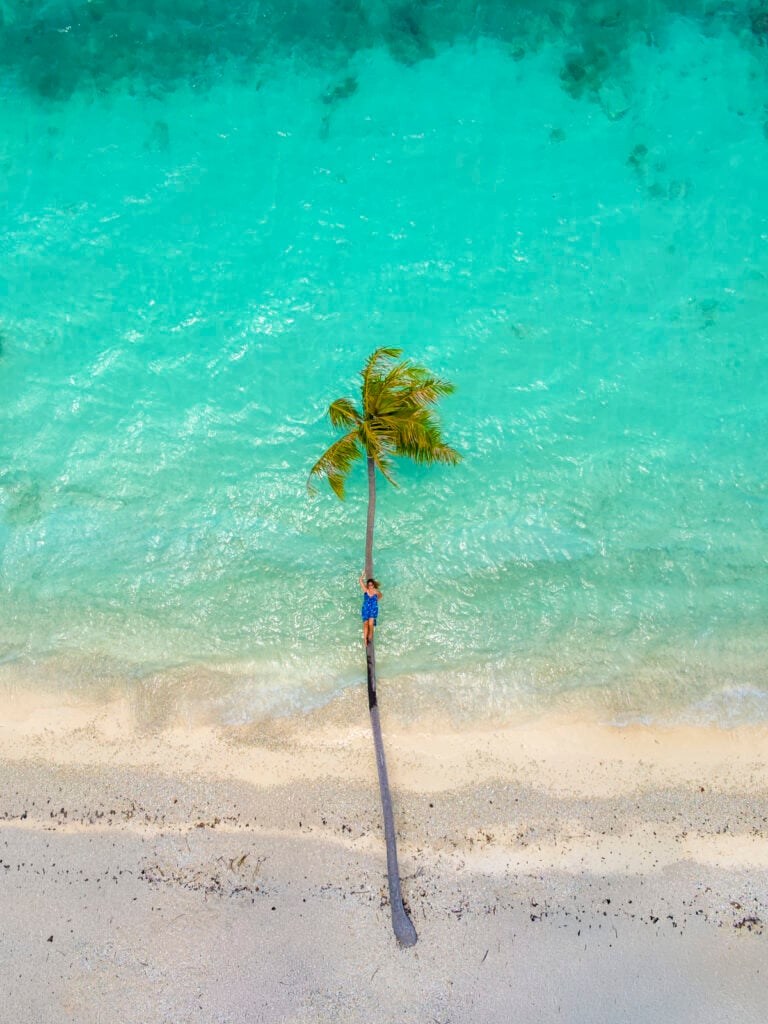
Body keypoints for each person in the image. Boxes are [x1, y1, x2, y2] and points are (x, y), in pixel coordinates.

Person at [359, 570, 382, 648]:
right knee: (365, 624)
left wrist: (375, 602)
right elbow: (360, 581)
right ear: (368, 586)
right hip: (365, 608)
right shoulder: (366, 590)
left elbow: (380, 596)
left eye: (371, 585)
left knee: (370, 624)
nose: (370, 586)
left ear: (373, 585)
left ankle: (371, 633)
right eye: (369, 585)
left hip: (373, 609)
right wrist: (363, 574)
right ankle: (365, 639)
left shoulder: (376, 592)